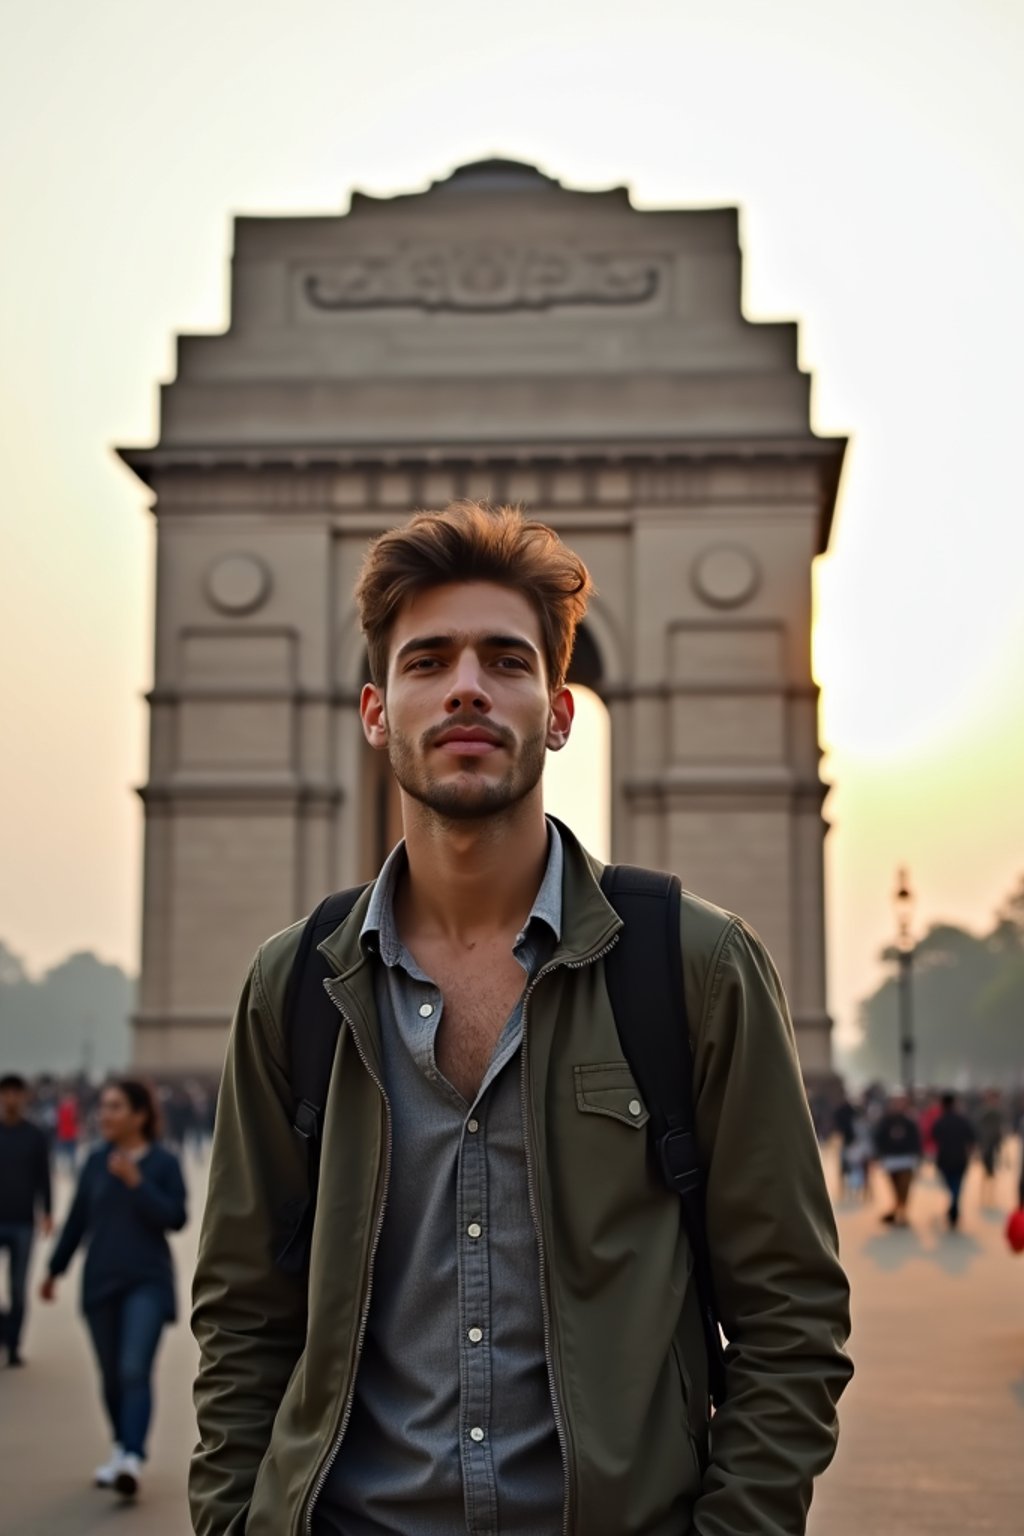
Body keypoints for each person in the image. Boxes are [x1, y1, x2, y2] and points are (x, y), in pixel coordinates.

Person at [190, 502, 853, 1536]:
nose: (465, 686)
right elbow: (242, 1319)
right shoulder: (291, 988)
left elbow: (791, 1316)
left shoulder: (695, 970)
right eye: (428, 661)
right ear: (375, 709)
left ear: (557, 710)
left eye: (505, 659)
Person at [41, 1078, 187, 1499]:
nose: (104, 1114)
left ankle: (133, 1458)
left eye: (115, 1107)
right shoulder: (94, 1161)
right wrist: (54, 1271)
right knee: (110, 1377)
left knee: (132, 1369)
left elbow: (175, 1217)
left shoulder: (163, 1163)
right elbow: (77, 1223)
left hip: (148, 1282)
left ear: (140, 1115)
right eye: (103, 1106)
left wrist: (136, 1182)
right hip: (100, 1282)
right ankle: (120, 1447)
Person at [0, 1072, 53, 1366]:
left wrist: (48, 1212)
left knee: (18, 1289)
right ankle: (4, 1331)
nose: (10, 1098)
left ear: (23, 1097)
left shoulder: (35, 1135)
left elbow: (43, 1177)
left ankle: (14, 1345)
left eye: (15, 1093)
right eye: (5, 1093)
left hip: (23, 1221)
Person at [873, 1090, 922, 1227]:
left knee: (904, 1187)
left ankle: (901, 1212)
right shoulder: (886, 1121)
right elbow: (879, 1138)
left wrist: (917, 1155)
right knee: (895, 1187)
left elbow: (916, 1140)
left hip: (906, 1159)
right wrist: (880, 1154)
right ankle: (897, 1209)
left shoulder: (910, 1121)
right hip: (891, 1159)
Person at [931, 1091, 976, 1229]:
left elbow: (934, 1137)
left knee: (951, 1184)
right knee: (957, 1185)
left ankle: (954, 1206)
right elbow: (971, 1138)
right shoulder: (963, 1120)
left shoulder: (940, 1121)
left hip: (944, 1159)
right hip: (960, 1158)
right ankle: (954, 1206)